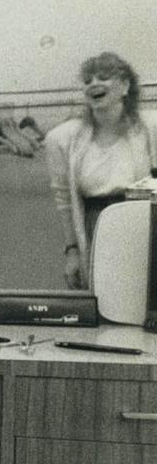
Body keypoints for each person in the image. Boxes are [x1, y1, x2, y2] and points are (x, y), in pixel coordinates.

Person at [44, 50, 157, 288]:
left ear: (125, 86)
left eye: (104, 77)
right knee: (102, 303)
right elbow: (64, 199)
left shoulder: (151, 128)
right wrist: (72, 251)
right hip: (95, 230)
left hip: (144, 228)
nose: (94, 83)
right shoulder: (63, 139)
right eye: (88, 80)